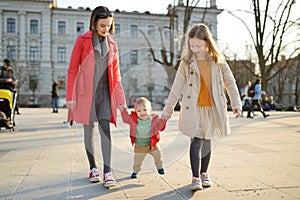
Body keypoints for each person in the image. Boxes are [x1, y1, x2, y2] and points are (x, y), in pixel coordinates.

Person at [161, 23, 242, 191]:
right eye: (192, 45)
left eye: (199, 45)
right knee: (196, 140)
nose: (195, 48)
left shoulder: (218, 60)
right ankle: (195, 177)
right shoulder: (186, 62)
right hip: (194, 108)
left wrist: (236, 104)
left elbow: (230, 83)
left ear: (207, 43)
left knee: (207, 141)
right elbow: (176, 87)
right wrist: (168, 110)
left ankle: (204, 173)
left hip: (212, 107)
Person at [66, 6, 126, 188]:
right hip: (86, 94)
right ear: (94, 23)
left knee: (105, 129)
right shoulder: (82, 40)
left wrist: (121, 101)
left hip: (105, 94)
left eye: (108, 25)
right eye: (102, 25)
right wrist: (70, 96)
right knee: (88, 130)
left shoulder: (113, 45)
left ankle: (108, 171)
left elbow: (116, 75)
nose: (105, 29)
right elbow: (73, 69)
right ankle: (93, 167)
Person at [119, 97, 167, 179]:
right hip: (140, 145)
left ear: (150, 109)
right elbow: (125, 118)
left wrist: (164, 120)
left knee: (158, 154)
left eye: (145, 110)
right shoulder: (134, 118)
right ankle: (135, 171)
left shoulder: (154, 119)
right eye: (139, 111)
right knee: (138, 160)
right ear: (136, 111)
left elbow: (161, 128)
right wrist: (123, 110)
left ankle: (159, 167)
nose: (142, 113)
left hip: (152, 143)